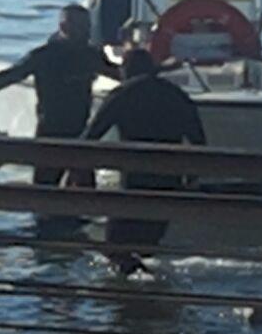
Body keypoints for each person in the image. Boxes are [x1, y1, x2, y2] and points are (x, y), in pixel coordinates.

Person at [84, 47, 207, 271]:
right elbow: (199, 142)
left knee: (114, 247)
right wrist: (192, 178)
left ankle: (126, 297)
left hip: (134, 181)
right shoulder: (177, 95)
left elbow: (91, 136)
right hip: (169, 181)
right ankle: (148, 297)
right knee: (148, 248)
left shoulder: (123, 94)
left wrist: (80, 168)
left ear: (126, 70)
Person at [0, 3, 116, 185]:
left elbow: (119, 74)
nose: (87, 34)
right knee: (44, 191)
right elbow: (11, 76)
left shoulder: (91, 55)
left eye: (88, 28)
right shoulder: (44, 56)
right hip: (50, 134)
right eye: (81, 28)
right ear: (64, 27)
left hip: (81, 135)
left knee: (87, 196)